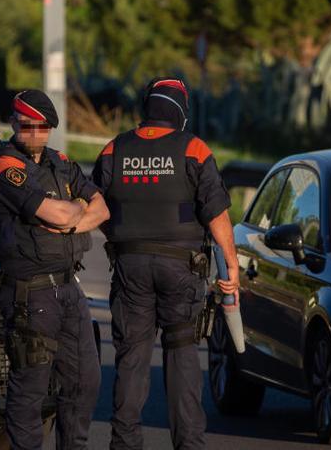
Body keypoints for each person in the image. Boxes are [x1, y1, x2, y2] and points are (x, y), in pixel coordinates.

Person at [92, 78, 239, 450]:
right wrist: (231, 268)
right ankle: (188, 444)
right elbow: (216, 212)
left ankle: (124, 445)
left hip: (130, 266)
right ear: (180, 111)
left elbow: (96, 207)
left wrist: (122, 238)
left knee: (132, 358)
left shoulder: (114, 149)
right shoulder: (194, 148)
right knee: (182, 354)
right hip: (181, 267)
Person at [0, 89, 109, 450]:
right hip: (30, 291)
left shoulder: (61, 161)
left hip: (70, 286)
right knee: (31, 388)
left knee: (86, 380)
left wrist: (71, 217)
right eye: (26, 126)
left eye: (41, 127)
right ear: (13, 123)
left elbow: (102, 209)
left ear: (51, 128)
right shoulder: (4, 168)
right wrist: (71, 212)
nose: (34, 133)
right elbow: (60, 212)